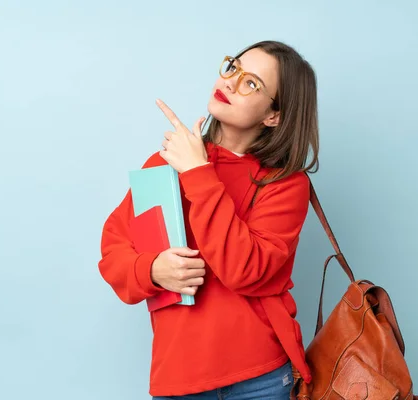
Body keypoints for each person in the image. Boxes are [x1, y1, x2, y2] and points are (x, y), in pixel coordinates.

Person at [98, 40, 319, 399]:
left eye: (252, 84)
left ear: (273, 115)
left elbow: (244, 269)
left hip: (260, 378)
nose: (231, 82)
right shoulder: (164, 162)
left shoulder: (286, 183)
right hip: (180, 378)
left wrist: (198, 171)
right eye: (234, 67)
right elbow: (114, 252)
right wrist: (152, 270)